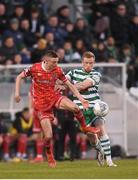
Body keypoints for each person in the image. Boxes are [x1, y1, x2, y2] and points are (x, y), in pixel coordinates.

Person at [14, 50, 99, 168]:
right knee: (48, 136)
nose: (56, 64)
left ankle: (84, 127)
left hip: (54, 97)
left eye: (57, 62)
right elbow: (19, 77)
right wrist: (17, 94)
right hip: (41, 105)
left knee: (75, 107)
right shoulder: (34, 68)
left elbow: (70, 85)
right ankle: (49, 154)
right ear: (46, 61)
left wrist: (81, 98)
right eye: (54, 62)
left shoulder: (58, 70)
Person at [65, 51, 117, 167]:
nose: (89, 65)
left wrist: (69, 86)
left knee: (101, 130)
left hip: (95, 108)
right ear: (82, 62)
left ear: (94, 63)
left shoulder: (96, 74)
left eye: (91, 63)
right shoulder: (73, 72)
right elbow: (61, 81)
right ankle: (100, 151)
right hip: (80, 111)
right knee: (93, 140)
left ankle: (110, 161)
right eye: (86, 63)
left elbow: (84, 85)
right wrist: (62, 84)